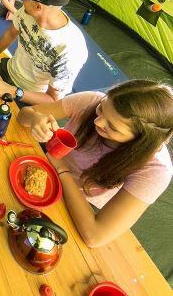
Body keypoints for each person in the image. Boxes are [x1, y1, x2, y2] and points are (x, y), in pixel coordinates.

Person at [17, 79, 173, 247]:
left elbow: (95, 236)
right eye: (101, 108)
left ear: (141, 140)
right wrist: (34, 118)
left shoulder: (156, 170)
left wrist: (61, 169)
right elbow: (24, 114)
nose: (97, 122)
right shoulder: (92, 100)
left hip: (80, 202)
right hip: (45, 164)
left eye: (112, 127)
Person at [0, 0, 88, 105]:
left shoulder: (70, 50)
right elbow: (11, 33)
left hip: (30, 97)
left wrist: (13, 91)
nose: (21, 1)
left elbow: (53, 99)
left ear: (38, 6)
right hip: (8, 71)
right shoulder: (27, 11)